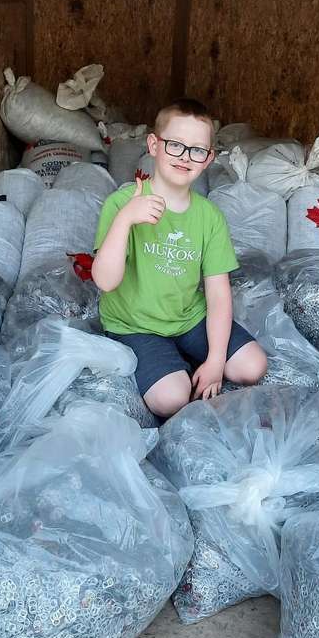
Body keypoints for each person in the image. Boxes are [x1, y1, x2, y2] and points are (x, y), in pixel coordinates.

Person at [92, 98, 267, 418]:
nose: (185, 157)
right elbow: (104, 280)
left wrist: (215, 360)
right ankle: (170, 366)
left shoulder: (209, 216)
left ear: (208, 159)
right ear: (154, 145)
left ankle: (191, 360)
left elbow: (217, 291)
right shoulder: (122, 203)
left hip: (188, 317)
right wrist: (125, 220)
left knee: (252, 366)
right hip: (135, 324)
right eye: (175, 145)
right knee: (172, 398)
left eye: (197, 150)